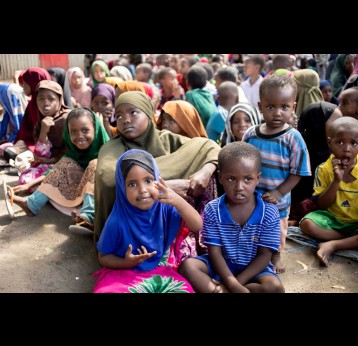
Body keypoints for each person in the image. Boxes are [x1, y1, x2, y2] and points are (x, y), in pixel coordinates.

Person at [94, 91, 221, 260]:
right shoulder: (112, 147)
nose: (125, 120)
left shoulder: (166, 139)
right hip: (130, 231)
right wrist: (163, 186)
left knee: (210, 173)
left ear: (148, 113)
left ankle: (201, 242)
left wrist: (205, 171)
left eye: (133, 112)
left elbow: (210, 147)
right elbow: (108, 179)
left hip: (170, 219)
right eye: (119, 116)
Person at [178, 142, 284, 293]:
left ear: (257, 179)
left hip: (253, 270)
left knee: (274, 287)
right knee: (188, 267)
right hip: (220, 266)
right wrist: (231, 283)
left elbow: (264, 256)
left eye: (247, 179)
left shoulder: (269, 212)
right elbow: (214, 252)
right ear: (220, 178)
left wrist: (233, 285)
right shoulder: (213, 209)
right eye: (231, 179)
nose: (239, 186)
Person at [92, 149, 202, 293]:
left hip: (162, 269)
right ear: (122, 189)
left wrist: (178, 201)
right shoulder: (117, 221)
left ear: (157, 179)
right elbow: (103, 257)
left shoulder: (165, 207)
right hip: (124, 273)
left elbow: (197, 225)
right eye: (132, 184)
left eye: (148, 181)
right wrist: (125, 262)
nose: (143, 190)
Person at [242, 75, 311, 273]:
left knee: (276, 230)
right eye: (270, 107)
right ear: (260, 105)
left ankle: (276, 254)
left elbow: (298, 172)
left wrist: (279, 192)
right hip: (252, 196)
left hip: (277, 199)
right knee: (252, 225)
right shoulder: (251, 134)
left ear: (293, 107)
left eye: (284, 107)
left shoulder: (293, 138)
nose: (277, 113)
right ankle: (253, 253)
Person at [6, 108, 109, 230]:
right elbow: (54, 171)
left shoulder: (107, 150)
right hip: (79, 195)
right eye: (74, 132)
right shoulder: (73, 151)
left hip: (100, 199)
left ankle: (88, 217)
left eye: (85, 130)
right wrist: (28, 185)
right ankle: (32, 205)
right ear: (68, 133)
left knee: (95, 163)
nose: (80, 136)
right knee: (66, 162)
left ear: (96, 130)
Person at [300, 117, 358, 266]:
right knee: (307, 224)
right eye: (340, 142)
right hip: (332, 219)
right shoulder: (324, 169)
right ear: (329, 142)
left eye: (353, 143)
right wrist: (336, 181)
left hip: (356, 221)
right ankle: (349, 240)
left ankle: (332, 245)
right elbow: (322, 205)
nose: (347, 148)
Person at [0, 83, 28, 157]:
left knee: (4, 149)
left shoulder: (26, 117)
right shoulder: (8, 116)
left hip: (23, 142)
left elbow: (22, 132)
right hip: (15, 139)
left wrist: (8, 141)